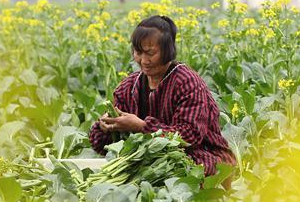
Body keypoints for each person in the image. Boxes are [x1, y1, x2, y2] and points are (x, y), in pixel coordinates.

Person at [89, 15, 237, 187]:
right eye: (138, 52)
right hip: (150, 162)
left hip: (203, 157)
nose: (143, 61)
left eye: (150, 53)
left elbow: (189, 137)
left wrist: (141, 127)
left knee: (174, 175)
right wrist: (104, 126)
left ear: (168, 51)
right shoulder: (129, 87)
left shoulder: (188, 83)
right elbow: (103, 146)